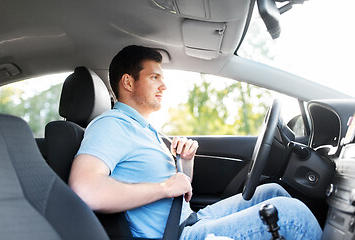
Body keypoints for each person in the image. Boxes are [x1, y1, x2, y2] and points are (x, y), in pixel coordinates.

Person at [69, 45, 322, 239]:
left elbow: (179, 190)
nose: (164, 85)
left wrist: (184, 163)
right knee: (291, 216)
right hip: (179, 235)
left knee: (271, 192)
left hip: (190, 219)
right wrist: (165, 187)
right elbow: (85, 191)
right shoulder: (111, 125)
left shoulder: (144, 129)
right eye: (154, 77)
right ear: (128, 82)